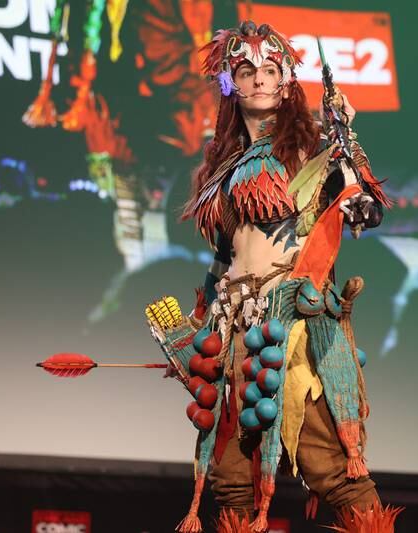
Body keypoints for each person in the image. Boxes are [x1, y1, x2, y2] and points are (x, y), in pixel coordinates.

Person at [149, 20, 395, 533]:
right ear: (229, 84)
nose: (259, 79)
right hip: (235, 329)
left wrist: (358, 200)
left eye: (269, 68)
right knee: (232, 479)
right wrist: (197, 333)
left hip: (294, 326)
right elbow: (223, 259)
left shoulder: (312, 149)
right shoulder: (223, 165)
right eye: (245, 70)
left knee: (331, 464)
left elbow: (357, 195)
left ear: (285, 80)